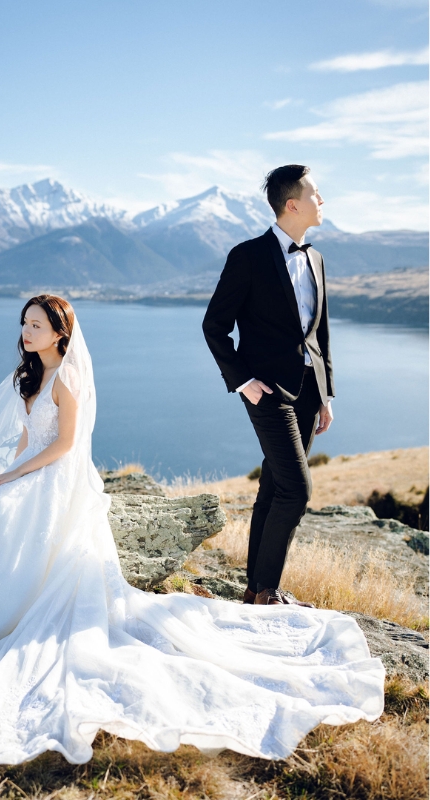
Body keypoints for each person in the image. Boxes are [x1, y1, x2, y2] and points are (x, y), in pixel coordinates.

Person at [0, 295, 383, 774]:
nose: (26, 333)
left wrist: (14, 474)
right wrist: (3, 470)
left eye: (36, 326)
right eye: (23, 324)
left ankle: (0, 608)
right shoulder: (26, 376)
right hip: (31, 468)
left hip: (58, 479)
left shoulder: (68, 378)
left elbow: (64, 446)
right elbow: (27, 436)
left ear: (60, 333)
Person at [203, 165, 333, 606]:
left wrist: (327, 394)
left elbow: (321, 333)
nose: (323, 200)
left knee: (275, 487)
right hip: (267, 390)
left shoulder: (315, 258)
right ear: (292, 204)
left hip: (310, 391)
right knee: (297, 490)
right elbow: (214, 325)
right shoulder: (248, 256)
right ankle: (270, 591)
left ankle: (255, 590)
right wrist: (242, 381)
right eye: (316, 193)